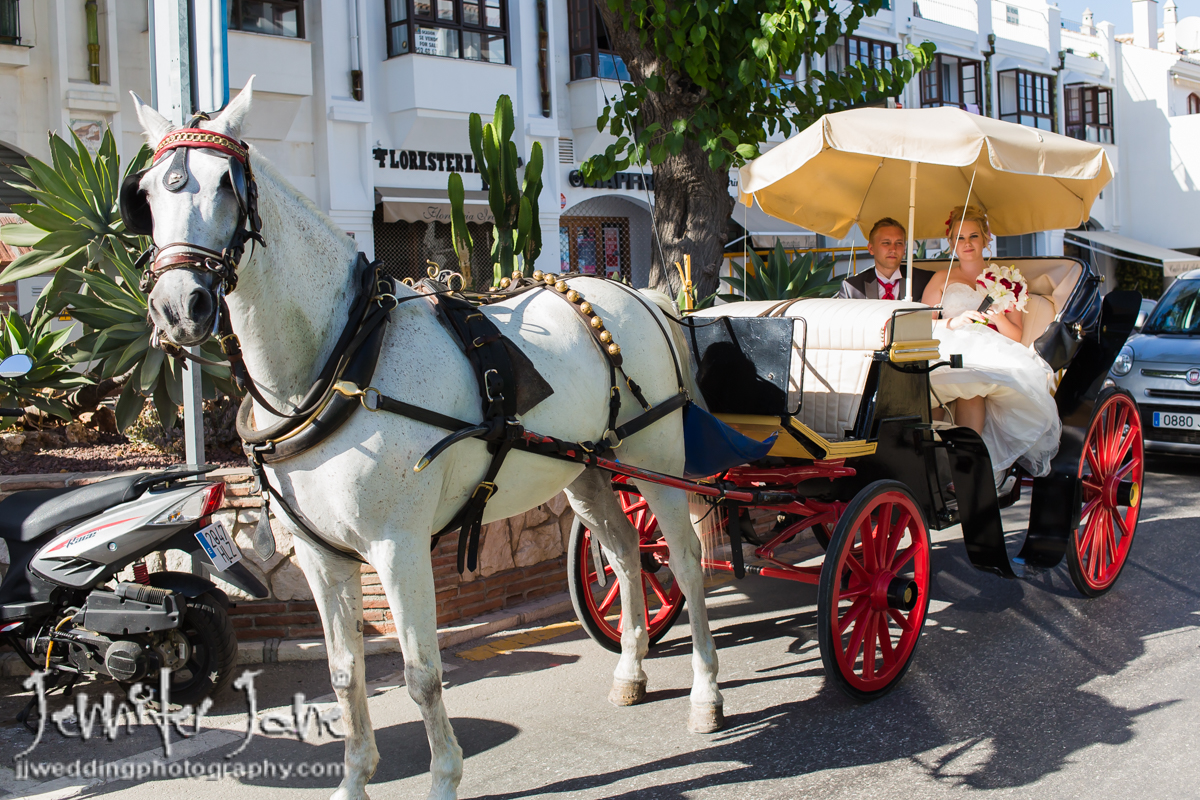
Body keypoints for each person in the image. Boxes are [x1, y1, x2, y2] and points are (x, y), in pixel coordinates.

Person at [920, 205, 1060, 481]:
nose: (967, 244)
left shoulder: (1006, 280)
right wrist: (953, 322)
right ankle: (932, 472)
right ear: (951, 243)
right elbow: (923, 323)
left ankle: (967, 474)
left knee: (972, 388)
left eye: (973, 236)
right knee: (929, 389)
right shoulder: (940, 279)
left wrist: (997, 316)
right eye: (960, 237)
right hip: (948, 345)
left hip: (990, 348)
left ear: (986, 239)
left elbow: (1016, 336)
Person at [837, 218, 934, 300]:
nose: (893, 249)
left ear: (905, 249)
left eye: (899, 243)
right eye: (886, 243)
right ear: (871, 249)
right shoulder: (851, 288)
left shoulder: (927, 281)